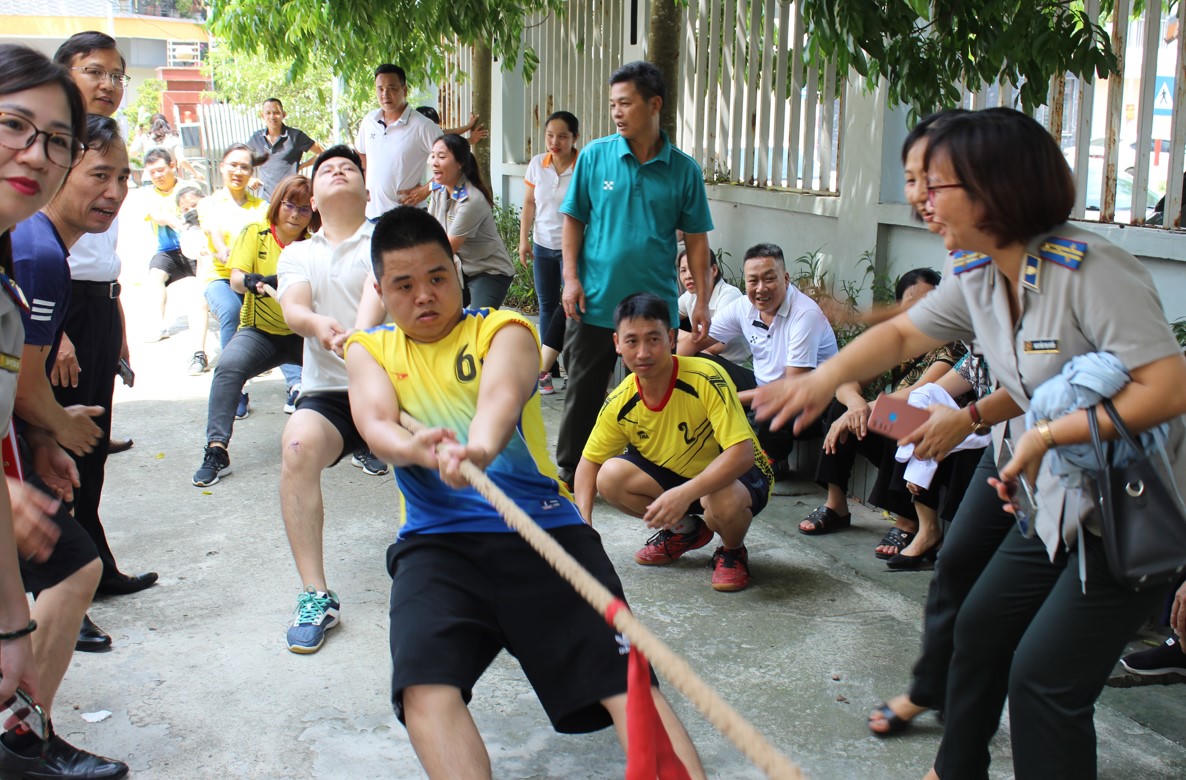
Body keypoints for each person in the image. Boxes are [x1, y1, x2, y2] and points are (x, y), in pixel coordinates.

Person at [753, 107, 1186, 779]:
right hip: (1052, 501)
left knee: (1043, 681)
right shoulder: (983, 275)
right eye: (916, 183)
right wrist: (823, 380)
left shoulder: (1092, 270)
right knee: (978, 626)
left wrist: (1046, 434)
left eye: (936, 184)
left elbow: (1167, 387)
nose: (921, 201)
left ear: (996, 186)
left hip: (1129, 513)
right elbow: (905, 334)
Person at [343, 206, 705, 779]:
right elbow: (375, 423)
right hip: (437, 546)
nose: (424, 296)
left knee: (627, 682)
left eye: (437, 276)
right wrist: (418, 451)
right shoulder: (370, 349)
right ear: (381, 290)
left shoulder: (504, 329)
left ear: (457, 271)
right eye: (404, 285)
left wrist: (478, 450)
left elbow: (500, 401)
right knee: (424, 689)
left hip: (545, 532)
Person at [0, 44, 129, 780]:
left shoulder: (19, 247)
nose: (35, 154)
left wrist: (31, 442)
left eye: (54, 140)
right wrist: (47, 428)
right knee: (72, 566)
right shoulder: (39, 254)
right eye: (14, 126)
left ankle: (23, 736)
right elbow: (25, 385)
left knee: (71, 566)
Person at [557, 61, 714, 488]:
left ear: (654, 104)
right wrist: (571, 279)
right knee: (583, 390)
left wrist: (701, 300)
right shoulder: (595, 156)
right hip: (595, 299)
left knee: (654, 394)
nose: (617, 113)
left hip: (654, 307)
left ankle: (646, 472)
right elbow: (573, 219)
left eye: (625, 103)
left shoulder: (684, 170)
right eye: (613, 104)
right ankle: (571, 471)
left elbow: (697, 240)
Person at [574, 292, 773, 592]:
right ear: (617, 343)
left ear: (670, 338)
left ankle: (732, 550)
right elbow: (589, 463)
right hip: (681, 478)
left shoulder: (706, 377)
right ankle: (686, 530)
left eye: (653, 339)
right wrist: (583, 527)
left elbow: (742, 454)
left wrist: (685, 494)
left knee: (719, 499)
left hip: (738, 478)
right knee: (609, 477)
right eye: (632, 341)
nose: (643, 352)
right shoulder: (620, 401)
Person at [53, 31, 157, 598]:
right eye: (95, 71)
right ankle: (62, 584)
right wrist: (54, 330)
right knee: (56, 448)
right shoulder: (47, 144)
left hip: (97, 303)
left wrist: (116, 324)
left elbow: (102, 254)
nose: (109, 84)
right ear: (64, 73)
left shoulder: (106, 141)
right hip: (55, 306)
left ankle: (93, 565)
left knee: (91, 443)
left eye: (118, 74)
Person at [275, 145, 386, 653]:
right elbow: (295, 309)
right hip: (329, 393)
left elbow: (383, 287)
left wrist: (360, 338)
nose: (337, 171)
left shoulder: (388, 237)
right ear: (313, 199)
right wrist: (319, 325)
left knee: (445, 454)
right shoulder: (298, 253)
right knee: (297, 448)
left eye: (348, 168)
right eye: (326, 170)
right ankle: (315, 594)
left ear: (367, 190)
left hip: (395, 384)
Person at [794, 269, 948, 543]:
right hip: (892, 424)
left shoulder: (950, 344)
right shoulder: (900, 341)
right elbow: (846, 380)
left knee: (894, 416)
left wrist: (869, 408)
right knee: (841, 407)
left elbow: (919, 392)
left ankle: (907, 521)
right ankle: (836, 505)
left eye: (930, 302)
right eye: (912, 302)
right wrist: (856, 404)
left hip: (931, 433)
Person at [192, 175, 317, 487]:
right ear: (277, 204)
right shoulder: (255, 232)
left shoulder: (315, 245)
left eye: (304, 209)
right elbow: (236, 279)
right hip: (260, 331)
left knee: (350, 367)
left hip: (304, 334)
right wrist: (251, 281)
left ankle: (363, 444)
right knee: (228, 367)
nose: (295, 214)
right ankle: (216, 450)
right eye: (289, 205)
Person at [701, 242, 838, 470]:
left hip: (809, 403)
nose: (761, 288)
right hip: (764, 387)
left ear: (786, 278)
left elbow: (791, 388)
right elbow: (696, 342)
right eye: (753, 281)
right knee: (701, 364)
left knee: (768, 407)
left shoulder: (805, 314)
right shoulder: (743, 306)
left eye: (769, 279)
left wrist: (729, 398)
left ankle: (773, 462)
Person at [194, 143, 269, 409]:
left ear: (252, 173)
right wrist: (223, 251)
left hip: (252, 278)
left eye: (244, 167)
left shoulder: (261, 207)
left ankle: (296, 385)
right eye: (233, 165)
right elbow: (213, 231)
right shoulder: (209, 203)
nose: (238, 171)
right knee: (231, 311)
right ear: (222, 167)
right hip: (220, 277)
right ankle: (232, 390)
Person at [518, 110, 579, 393]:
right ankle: (547, 370)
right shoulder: (536, 164)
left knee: (571, 307)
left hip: (572, 248)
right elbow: (529, 203)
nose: (555, 142)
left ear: (574, 138)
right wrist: (524, 240)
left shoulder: (582, 166)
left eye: (562, 136)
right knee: (547, 305)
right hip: (543, 244)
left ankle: (572, 367)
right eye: (550, 136)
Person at [427, 133, 515, 309]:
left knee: (477, 320)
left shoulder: (471, 199)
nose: (434, 162)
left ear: (460, 163)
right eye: (433, 155)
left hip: (488, 271)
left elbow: (446, 248)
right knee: (438, 312)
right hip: (459, 269)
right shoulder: (439, 190)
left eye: (441, 157)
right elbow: (428, 231)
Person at [355, 64, 442, 217]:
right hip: (372, 214)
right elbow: (360, 153)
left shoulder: (422, 126)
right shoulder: (369, 121)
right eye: (380, 89)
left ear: (404, 90)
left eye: (392, 88)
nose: (385, 94)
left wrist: (426, 189)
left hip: (407, 217)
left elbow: (455, 162)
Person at [140, 148, 206, 351]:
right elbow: (156, 216)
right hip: (168, 251)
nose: (157, 176)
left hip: (195, 247)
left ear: (172, 166)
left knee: (206, 287)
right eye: (152, 172)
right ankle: (159, 326)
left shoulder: (189, 187)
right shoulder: (148, 194)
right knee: (155, 277)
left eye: (160, 170)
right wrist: (173, 221)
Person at [673, 247, 751, 390]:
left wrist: (677, 334)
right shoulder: (691, 296)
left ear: (714, 270)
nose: (688, 275)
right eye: (683, 270)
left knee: (695, 354)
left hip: (738, 368)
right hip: (712, 363)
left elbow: (715, 347)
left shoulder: (729, 295)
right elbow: (665, 319)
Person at [246, 97, 323, 200]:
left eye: (276, 113)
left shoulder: (295, 136)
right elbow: (240, 159)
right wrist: (249, 179)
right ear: (262, 115)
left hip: (291, 199)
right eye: (268, 113)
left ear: (284, 114)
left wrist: (301, 166)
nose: (272, 116)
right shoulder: (257, 138)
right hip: (266, 199)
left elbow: (322, 153)